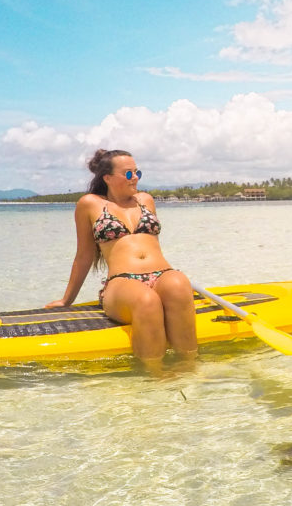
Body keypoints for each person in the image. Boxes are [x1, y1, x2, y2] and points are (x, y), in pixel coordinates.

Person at [46, 149, 198, 366]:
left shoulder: (145, 200)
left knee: (179, 284)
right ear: (107, 178)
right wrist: (66, 300)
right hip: (123, 282)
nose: (135, 178)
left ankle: (190, 366)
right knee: (147, 301)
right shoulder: (89, 204)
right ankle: (155, 374)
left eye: (137, 173)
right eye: (128, 174)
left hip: (162, 273)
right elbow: (84, 256)